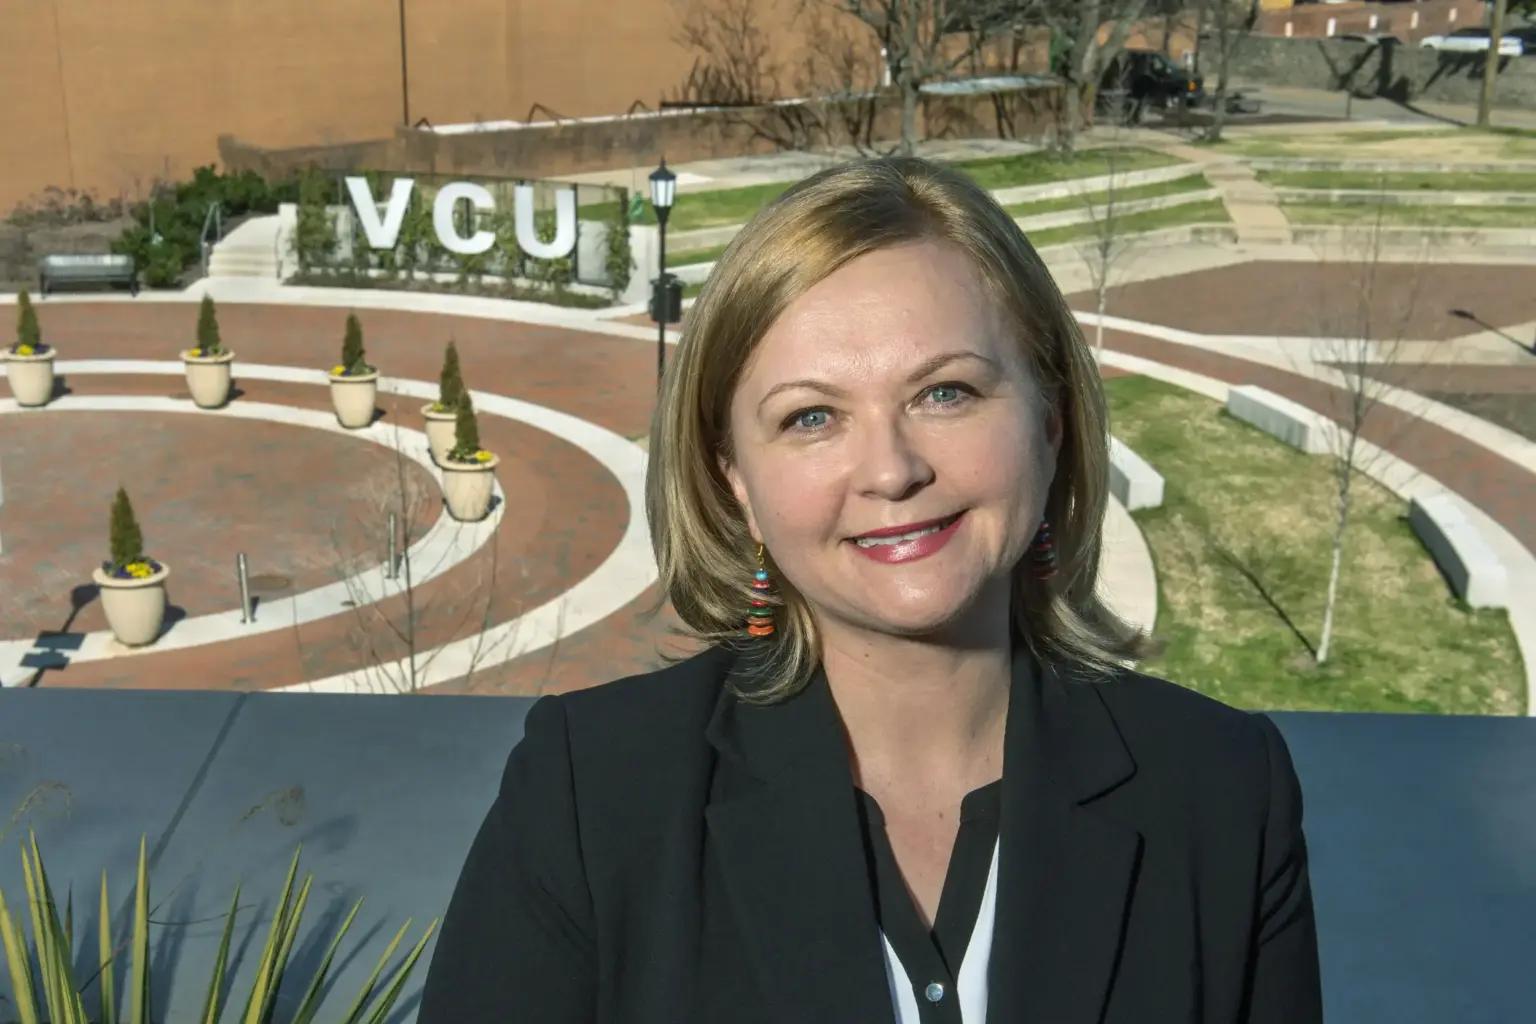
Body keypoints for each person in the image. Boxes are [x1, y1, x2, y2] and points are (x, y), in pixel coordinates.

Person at [419, 156, 1323, 1023]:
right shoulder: (590, 797)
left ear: (1049, 423)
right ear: (733, 476)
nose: (890, 470)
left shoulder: (1225, 791)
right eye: (811, 417)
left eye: (947, 393)